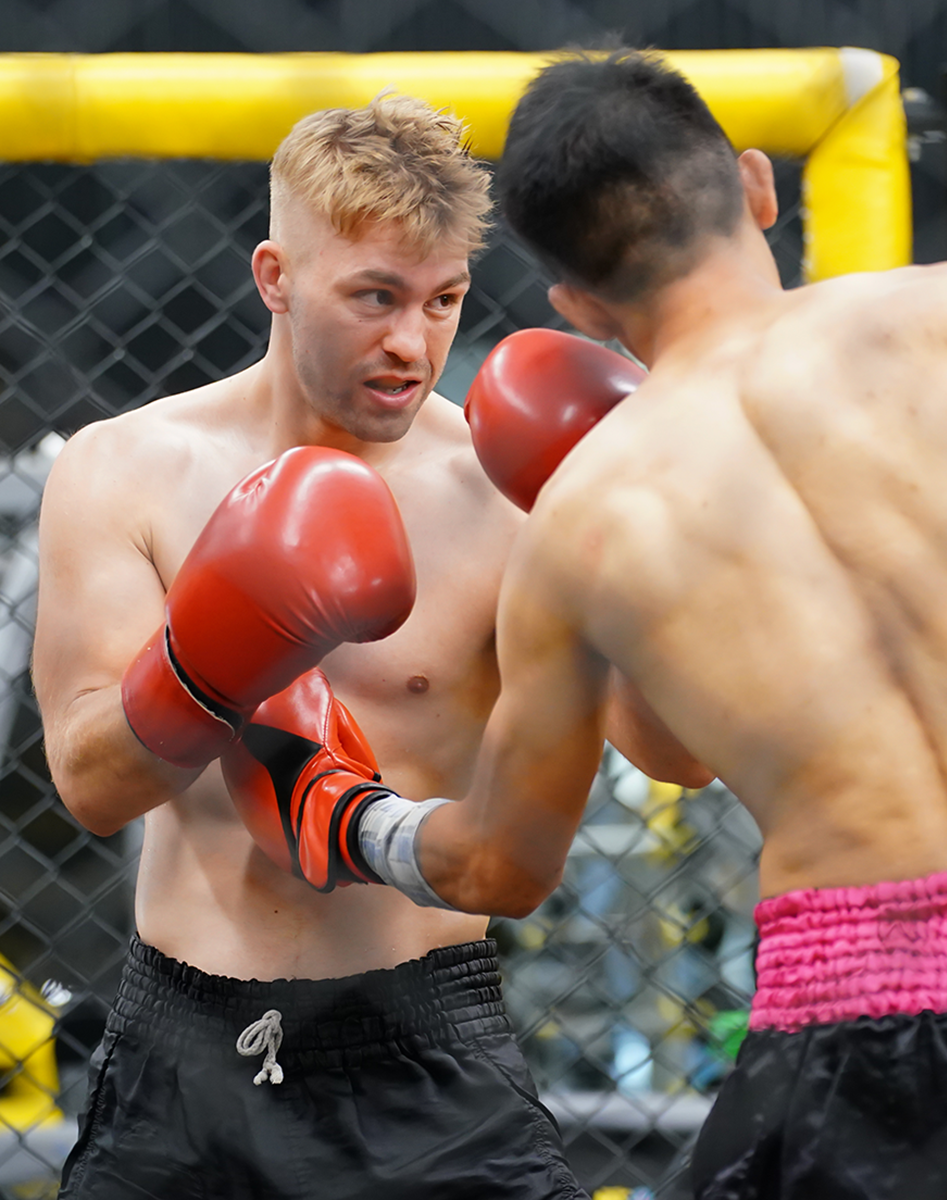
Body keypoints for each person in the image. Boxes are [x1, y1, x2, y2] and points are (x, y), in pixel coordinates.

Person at [228, 51, 947, 1199]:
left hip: (855, 1032)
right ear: (755, 185)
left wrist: (352, 819)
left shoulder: (580, 527)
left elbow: (509, 858)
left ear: (577, 308)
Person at [31, 91, 707, 1200]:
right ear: (276, 278)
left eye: (443, 300)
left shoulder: (503, 491)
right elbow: (93, 786)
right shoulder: (125, 472)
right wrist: (212, 654)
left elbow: (679, 756)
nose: (413, 343)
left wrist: (634, 545)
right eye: (375, 298)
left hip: (424, 1047)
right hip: (185, 1051)